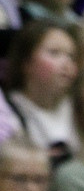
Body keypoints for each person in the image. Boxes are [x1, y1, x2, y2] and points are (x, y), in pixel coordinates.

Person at [5, 19, 79, 158]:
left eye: (71, 56)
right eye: (54, 53)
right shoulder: (7, 111)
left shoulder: (80, 109)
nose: (67, 64)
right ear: (26, 62)